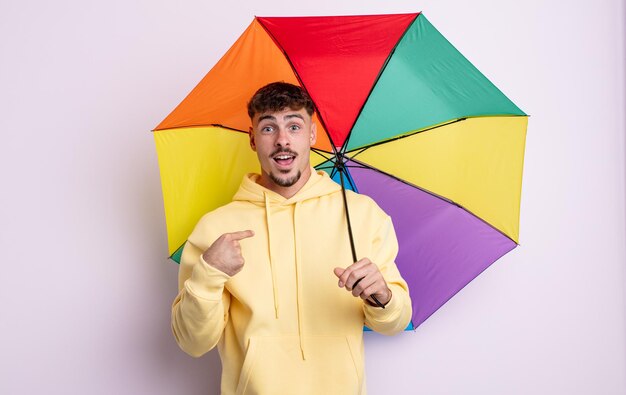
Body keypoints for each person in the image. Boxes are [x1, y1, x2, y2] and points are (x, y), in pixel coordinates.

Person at [171, 82, 412, 394]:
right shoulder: (217, 227)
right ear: (252, 139)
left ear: (311, 134)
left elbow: (394, 323)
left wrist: (383, 296)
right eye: (268, 128)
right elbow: (192, 343)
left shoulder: (362, 215)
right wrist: (208, 274)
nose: (282, 140)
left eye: (294, 126)